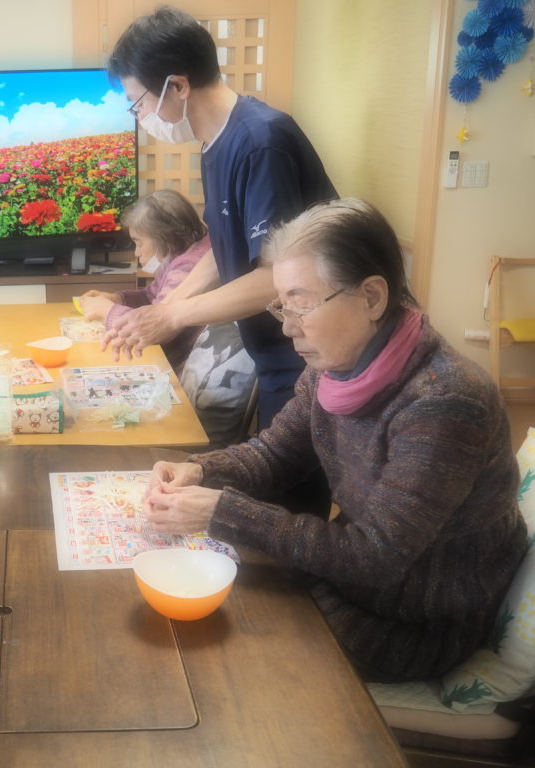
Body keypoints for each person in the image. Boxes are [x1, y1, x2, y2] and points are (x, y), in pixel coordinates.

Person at [143, 199, 527, 682]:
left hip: (409, 622)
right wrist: (201, 471)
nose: (288, 326)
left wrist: (223, 511)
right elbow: (274, 453)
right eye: (282, 305)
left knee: (219, 650)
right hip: (351, 583)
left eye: (301, 304)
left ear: (372, 297)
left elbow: (377, 556)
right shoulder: (337, 366)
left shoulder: (444, 402)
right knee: (198, 606)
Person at [104, 5, 337, 429]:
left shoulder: (261, 141)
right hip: (274, 352)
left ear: (178, 86)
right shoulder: (215, 143)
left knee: (291, 471)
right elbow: (222, 247)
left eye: (138, 102)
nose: (141, 116)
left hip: (310, 357)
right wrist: (165, 307)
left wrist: (173, 316)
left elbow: (276, 278)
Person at [78, 189, 211, 372]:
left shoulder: (187, 266)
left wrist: (107, 310)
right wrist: (118, 299)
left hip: (178, 365)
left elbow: (156, 325)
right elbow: (150, 296)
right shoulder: (180, 254)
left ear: (165, 238)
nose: (136, 252)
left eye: (139, 243)